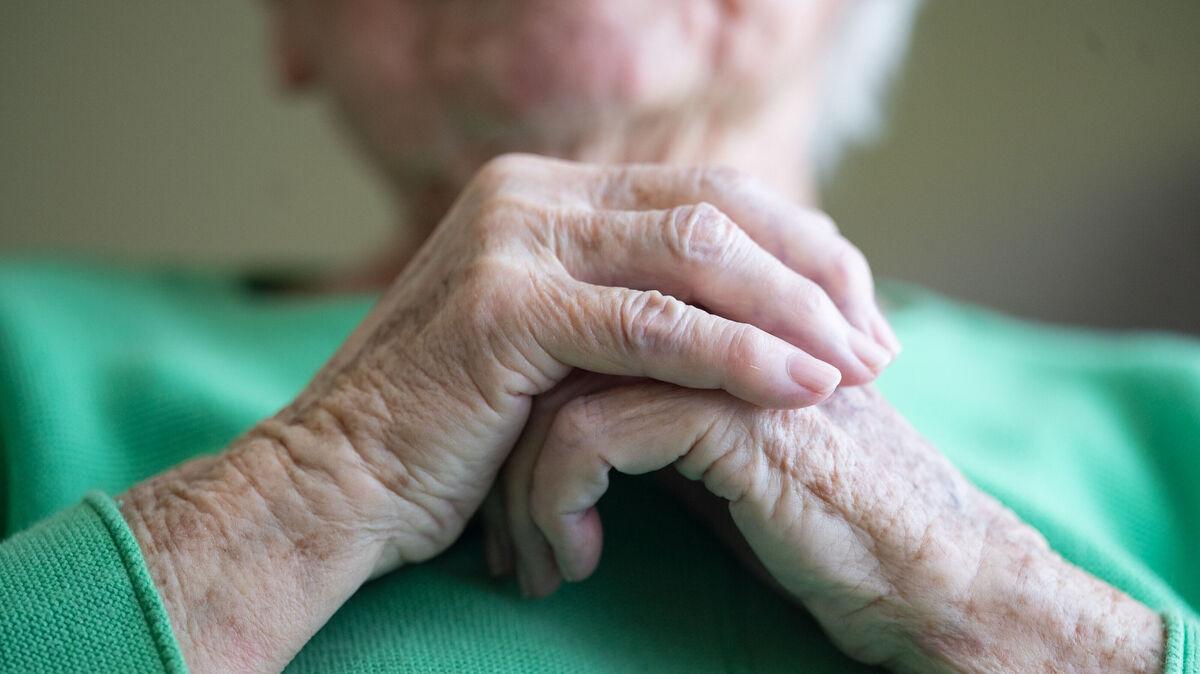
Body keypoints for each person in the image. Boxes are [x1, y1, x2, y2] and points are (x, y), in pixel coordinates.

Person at [0, 1, 1196, 672]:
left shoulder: (1171, 420)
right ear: (291, 28)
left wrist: (1008, 607)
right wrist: (303, 484)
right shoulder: (21, 345)